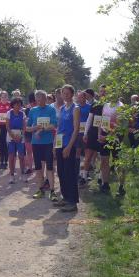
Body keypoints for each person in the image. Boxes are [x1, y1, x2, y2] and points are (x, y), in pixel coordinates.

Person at [54, 85, 81, 213]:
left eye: (67, 93)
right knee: (61, 172)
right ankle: (65, 197)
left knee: (69, 172)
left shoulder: (75, 109)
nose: (65, 95)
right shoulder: (62, 108)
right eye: (63, 93)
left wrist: (69, 147)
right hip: (60, 143)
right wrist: (55, 145)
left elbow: (76, 129)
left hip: (69, 144)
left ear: (72, 94)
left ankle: (72, 201)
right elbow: (58, 128)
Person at [27, 90, 58, 201]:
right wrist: (35, 128)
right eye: (37, 100)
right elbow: (27, 128)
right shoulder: (32, 110)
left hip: (48, 143)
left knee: (49, 167)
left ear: (45, 99)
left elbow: (54, 125)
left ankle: (52, 191)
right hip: (36, 143)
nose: (39, 102)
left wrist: (42, 129)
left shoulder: (51, 109)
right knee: (38, 167)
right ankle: (40, 190)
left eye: (41, 99)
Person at [82, 86, 106, 187]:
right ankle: (84, 177)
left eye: (105, 91)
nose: (103, 93)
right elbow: (89, 119)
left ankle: (100, 177)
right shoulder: (95, 104)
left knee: (103, 158)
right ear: (98, 93)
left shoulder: (110, 106)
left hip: (104, 134)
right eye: (101, 91)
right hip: (92, 133)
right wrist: (85, 133)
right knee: (87, 157)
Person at [7, 97, 27, 183]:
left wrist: (21, 136)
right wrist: (13, 136)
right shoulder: (9, 113)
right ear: (13, 105)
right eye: (16, 104)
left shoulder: (23, 114)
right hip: (10, 135)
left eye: (19, 104)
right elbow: (7, 126)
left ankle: (23, 174)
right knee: (11, 156)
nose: (18, 106)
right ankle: (11, 175)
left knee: (21, 156)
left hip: (20, 135)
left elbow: (24, 127)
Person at [0, 91, 11, 169]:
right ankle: (1, 161)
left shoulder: (10, 105)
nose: (4, 98)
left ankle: (6, 161)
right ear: (0, 98)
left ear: (8, 97)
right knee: (1, 144)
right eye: (2, 97)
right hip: (0, 127)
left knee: (7, 144)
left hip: (8, 127)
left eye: (5, 97)